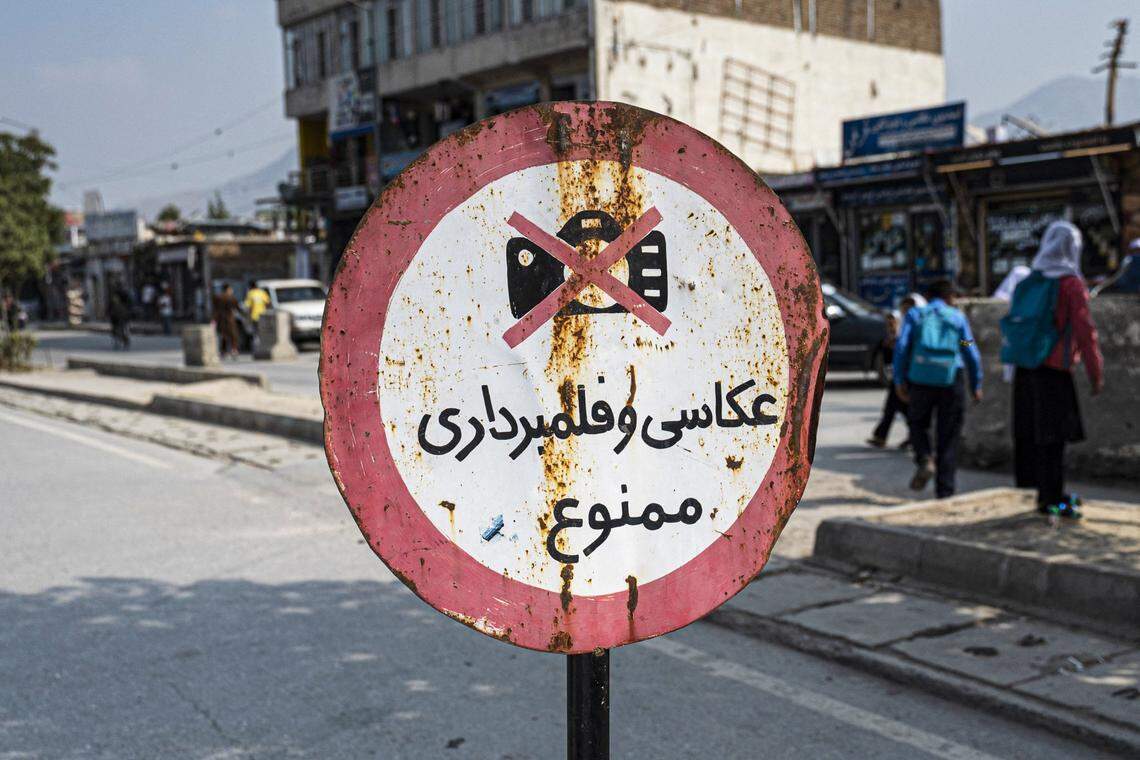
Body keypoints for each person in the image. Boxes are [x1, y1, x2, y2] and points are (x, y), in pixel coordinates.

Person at [1003, 221, 1103, 518]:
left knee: (1036, 435)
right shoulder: (1071, 284)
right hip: (1054, 369)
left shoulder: (1030, 279)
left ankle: (1044, 494)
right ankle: (1052, 499)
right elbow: (1086, 331)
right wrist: (1095, 372)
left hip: (1025, 367)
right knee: (1055, 437)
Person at [894, 279, 983, 498]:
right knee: (949, 435)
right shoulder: (957, 317)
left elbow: (903, 346)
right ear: (950, 296)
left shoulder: (916, 316)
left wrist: (899, 379)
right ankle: (945, 491)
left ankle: (925, 458)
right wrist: (976, 383)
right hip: (952, 378)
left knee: (917, 423)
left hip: (921, 378)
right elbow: (969, 347)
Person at [867, 294, 922, 449]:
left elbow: (966, 342)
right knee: (896, 407)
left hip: (914, 376)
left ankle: (916, 441)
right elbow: (966, 342)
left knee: (906, 409)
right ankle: (883, 436)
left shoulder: (912, 330)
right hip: (906, 377)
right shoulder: (898, 335)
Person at [212, 283, 241, 359]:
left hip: (221, 319)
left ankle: (223, 351)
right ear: (228, 289)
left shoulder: (217, 297)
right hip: (230, 318)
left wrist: (214, 319)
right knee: (233, 335)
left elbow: (215, 309)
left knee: (224, 336)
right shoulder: (231, 298)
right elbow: (237, 308)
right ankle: (234, 350)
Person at [243, 279, 270, 352]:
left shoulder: (250, 293)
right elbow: (267, 302)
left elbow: (247, 306)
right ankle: (264, 345)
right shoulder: (262, 292)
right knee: (262, 331)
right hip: (263, 315)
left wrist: (246, 315)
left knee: (255, 332)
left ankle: (257, 347)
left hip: (254, 316)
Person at [108, 281, 132, 350]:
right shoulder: (125, 294)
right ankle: (124, 342)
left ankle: (119, 342)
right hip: (122, 316)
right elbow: (130, 305)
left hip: (118, 316)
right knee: (124, 329)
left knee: (118, 329)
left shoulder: (114, 295)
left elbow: (110, 306)